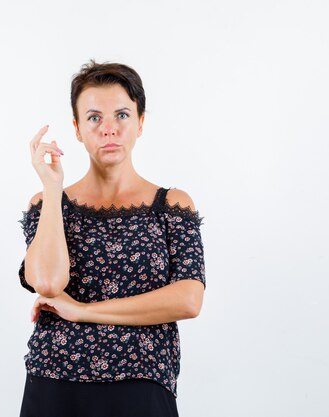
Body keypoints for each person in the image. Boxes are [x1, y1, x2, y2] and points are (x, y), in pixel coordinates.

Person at [17, 59, 206, 417]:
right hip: (55, 382)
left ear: (140, 122)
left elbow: (188, 299)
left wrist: (84, 311)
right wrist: (53, 188)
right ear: (76, 129)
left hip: (141, 383)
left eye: (121, 115)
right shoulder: (47, 203)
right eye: (94, 118)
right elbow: (45, 281)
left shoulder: (172, 205)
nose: (109, 129)